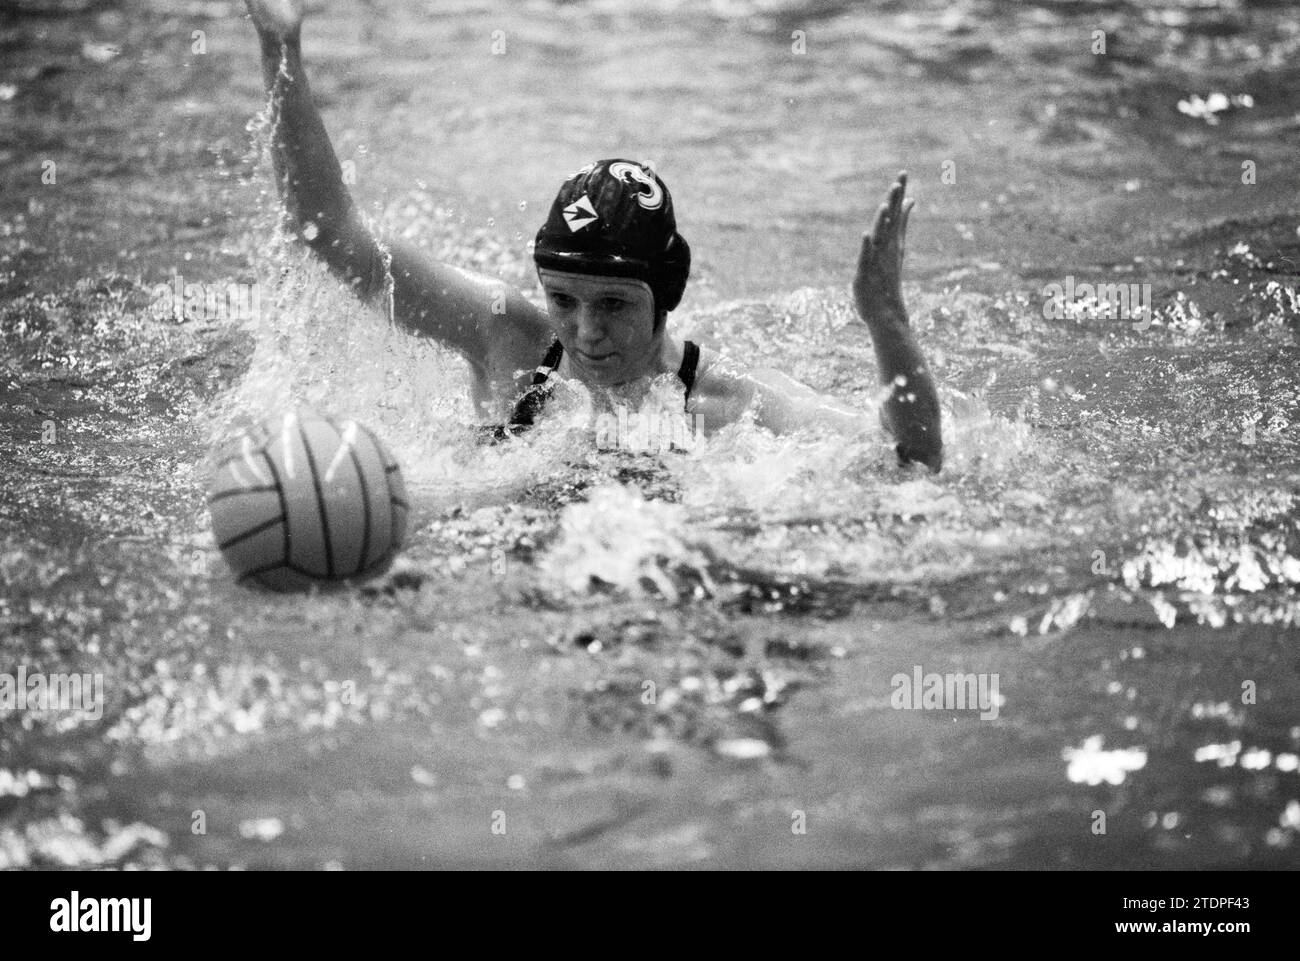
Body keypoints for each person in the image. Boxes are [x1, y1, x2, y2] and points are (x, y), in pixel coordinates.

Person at [243, 0, 943, 471]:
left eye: (612, 304)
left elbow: (911, 461)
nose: (583, 332)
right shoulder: (510, 340)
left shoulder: (723, 406)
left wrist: (887, 323)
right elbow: (329, 234)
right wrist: (282, 48)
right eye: (564, 300)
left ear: (664, 296)